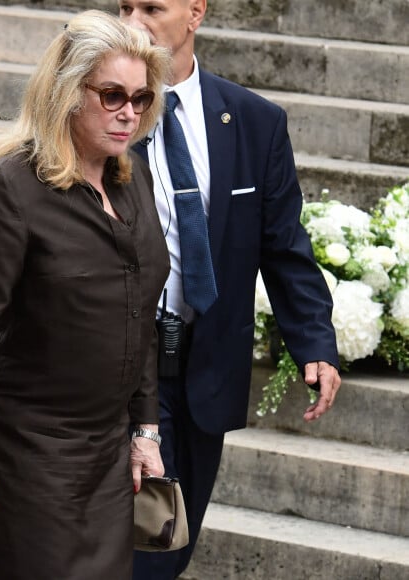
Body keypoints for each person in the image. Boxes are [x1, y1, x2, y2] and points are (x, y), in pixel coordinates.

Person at [0, 10, 172, 579]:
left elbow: (138, 312)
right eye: (112, 95)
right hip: (34, 458)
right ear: (69, 93)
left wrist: (144, 430)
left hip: (110, 458)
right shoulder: (12, 190)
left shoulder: (131, 176)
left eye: (142, 99)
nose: (129, 112)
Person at [118, 0, 343, 577]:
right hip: (122, 371)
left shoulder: (253, 121)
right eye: (123, 6)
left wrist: (313, 344)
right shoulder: (100, 114)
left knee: (171, 549)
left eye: (151, 7)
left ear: (195, 13)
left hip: (207, 368)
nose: (133, 20)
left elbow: (283, 244)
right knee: (132, 556)